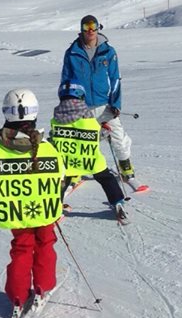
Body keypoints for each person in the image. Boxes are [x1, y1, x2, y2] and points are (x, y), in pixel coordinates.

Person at [0, 88, 64, 318]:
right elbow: (60, 178)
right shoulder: (48, 147)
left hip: (17, 212)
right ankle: (42, 286)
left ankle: (18, 296)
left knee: (22, 248)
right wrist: (57, 199)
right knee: (45, 244)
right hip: (44, 209)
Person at [60, 14, 134, 178]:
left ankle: (125, 165)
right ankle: (75, 171)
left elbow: (115, 79)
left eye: (93, 26)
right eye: (86, 27)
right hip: (81, 105)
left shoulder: (108, 51)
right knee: (81, 141)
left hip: (104, 104)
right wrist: (67, 103)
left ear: (98, 27)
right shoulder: (72, 53)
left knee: (117, 135)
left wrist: (116, 103)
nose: (90, 30)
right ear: (81, 30)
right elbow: (66, 80)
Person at [49, 81, 128, 223]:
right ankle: (117, 202)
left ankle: (55, 208)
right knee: (106, 178)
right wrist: (105, 131)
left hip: (67, 159)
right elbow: (94, 134)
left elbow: (54, 137)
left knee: (61, 182)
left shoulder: (57, 117)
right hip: (90, 158)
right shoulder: (86, 113)